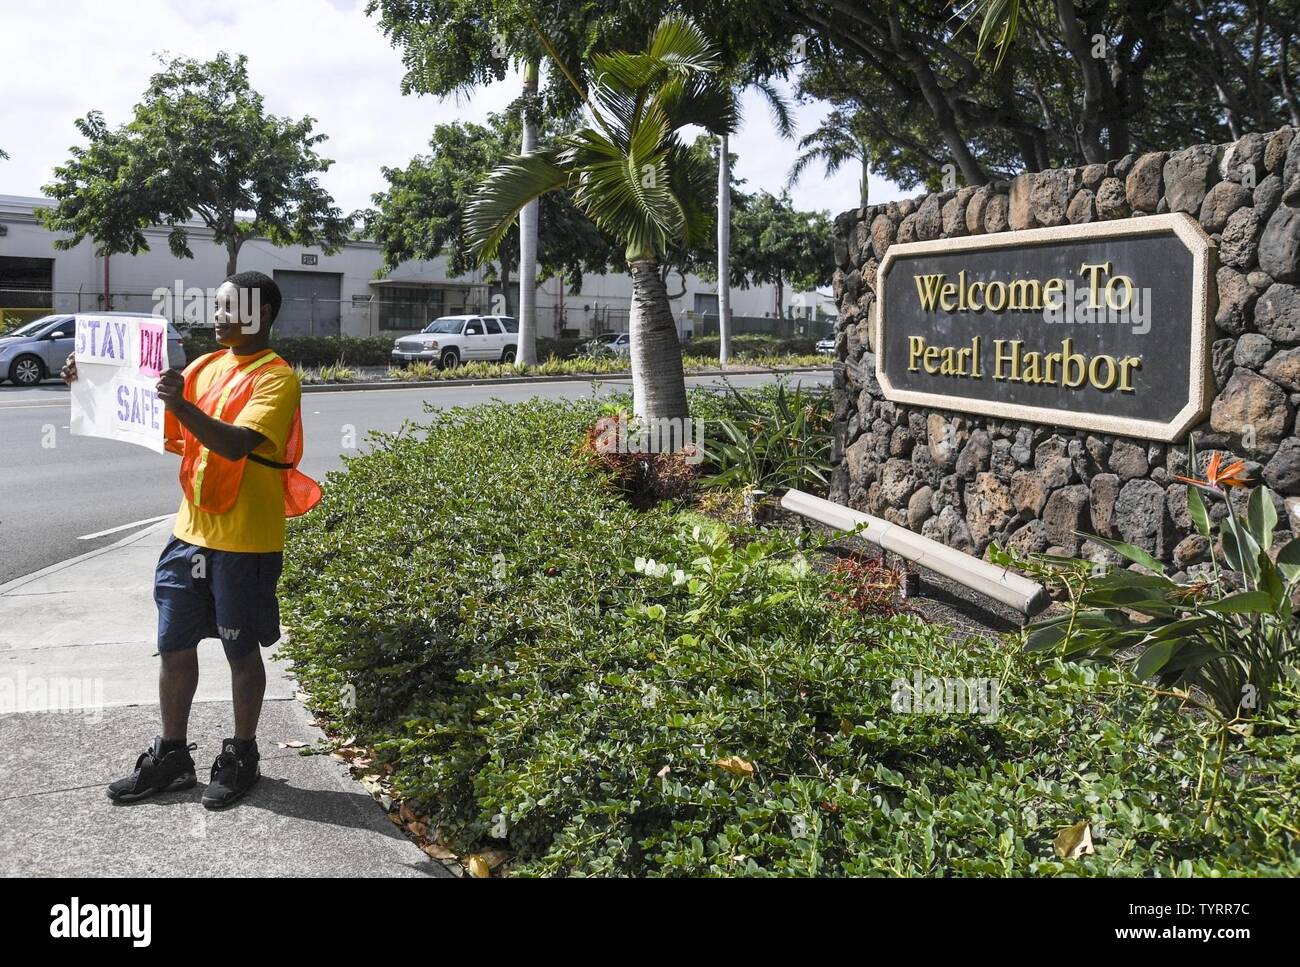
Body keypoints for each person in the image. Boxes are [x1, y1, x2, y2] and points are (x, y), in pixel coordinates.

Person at [63, 271, 319, 809]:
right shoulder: (205, 366)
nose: (218, 317)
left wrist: (181, 405)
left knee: (239, 649)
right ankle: (172, 758)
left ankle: (241, 755)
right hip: (188, 535)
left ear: (263, 314)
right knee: (173, 645)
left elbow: (231, 445)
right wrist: (90, 384)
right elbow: (163, 430)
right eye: (217, 307)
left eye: (229, 308)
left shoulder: (276, 378)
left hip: (246, 541)